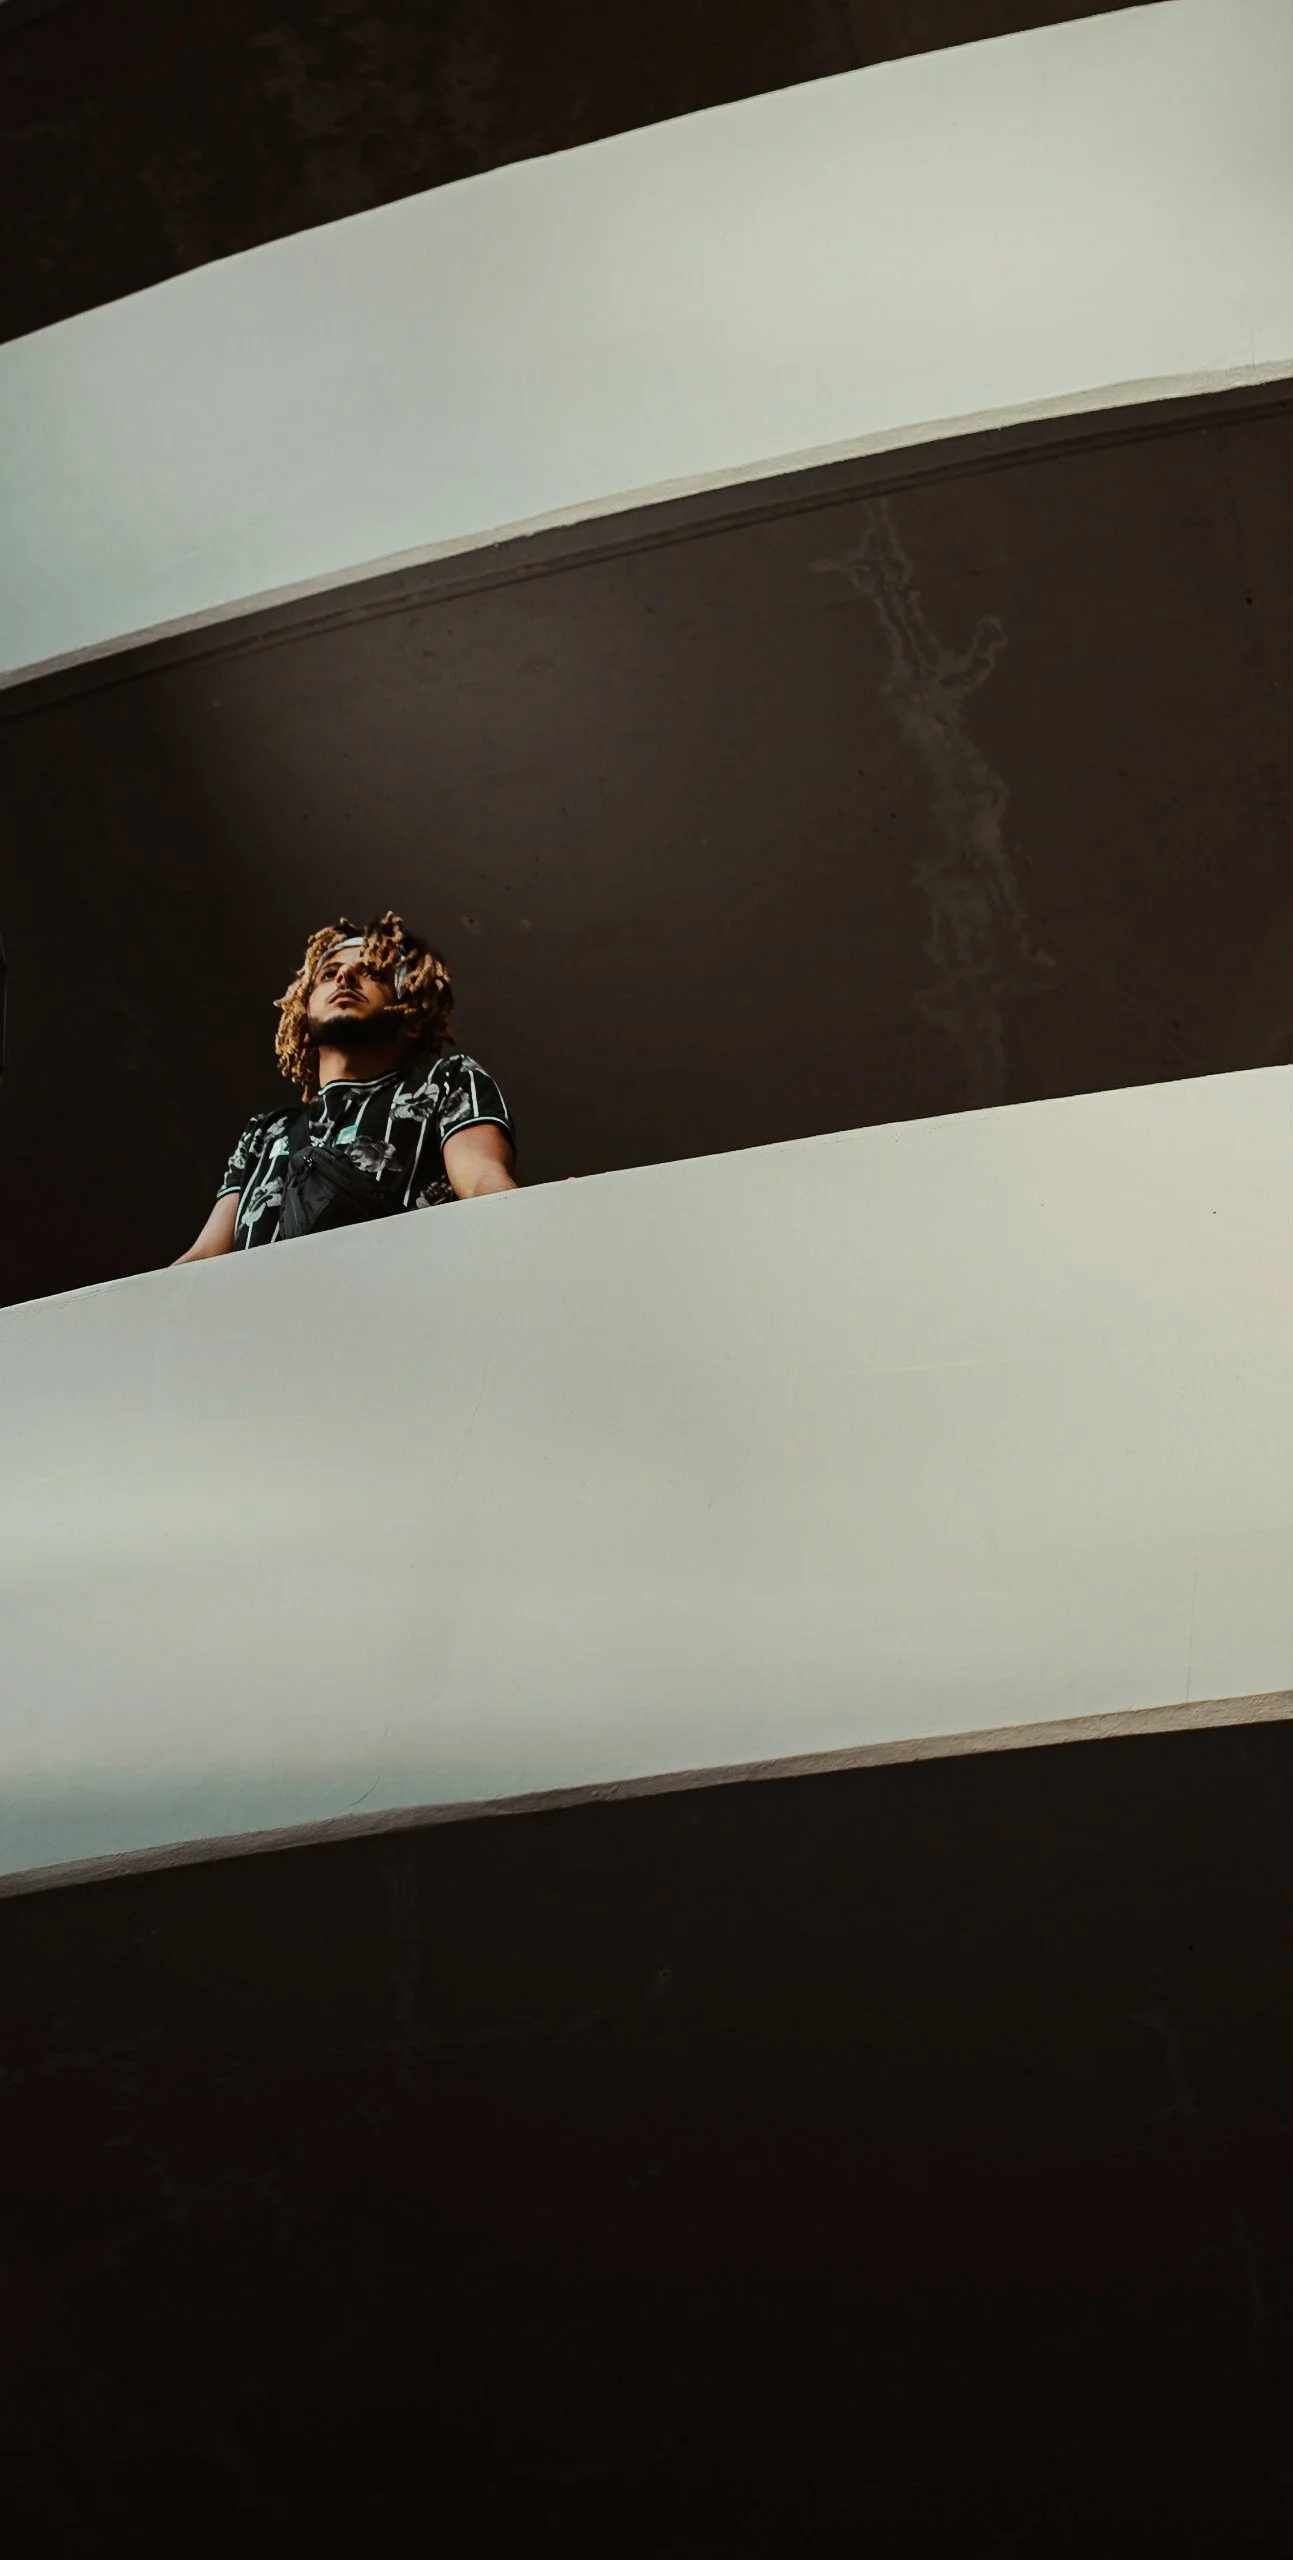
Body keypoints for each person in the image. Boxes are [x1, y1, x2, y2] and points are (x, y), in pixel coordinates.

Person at [176, 911, 515, 1261]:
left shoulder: (446, 1080)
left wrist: (540, 1221)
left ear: (410, 1018)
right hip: (258, 1313)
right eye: (327, 974)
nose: (345, 974)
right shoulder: (264, 1133)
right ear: (303, 1023)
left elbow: (483, 1183)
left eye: (373, 973)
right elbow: (205, 1254)